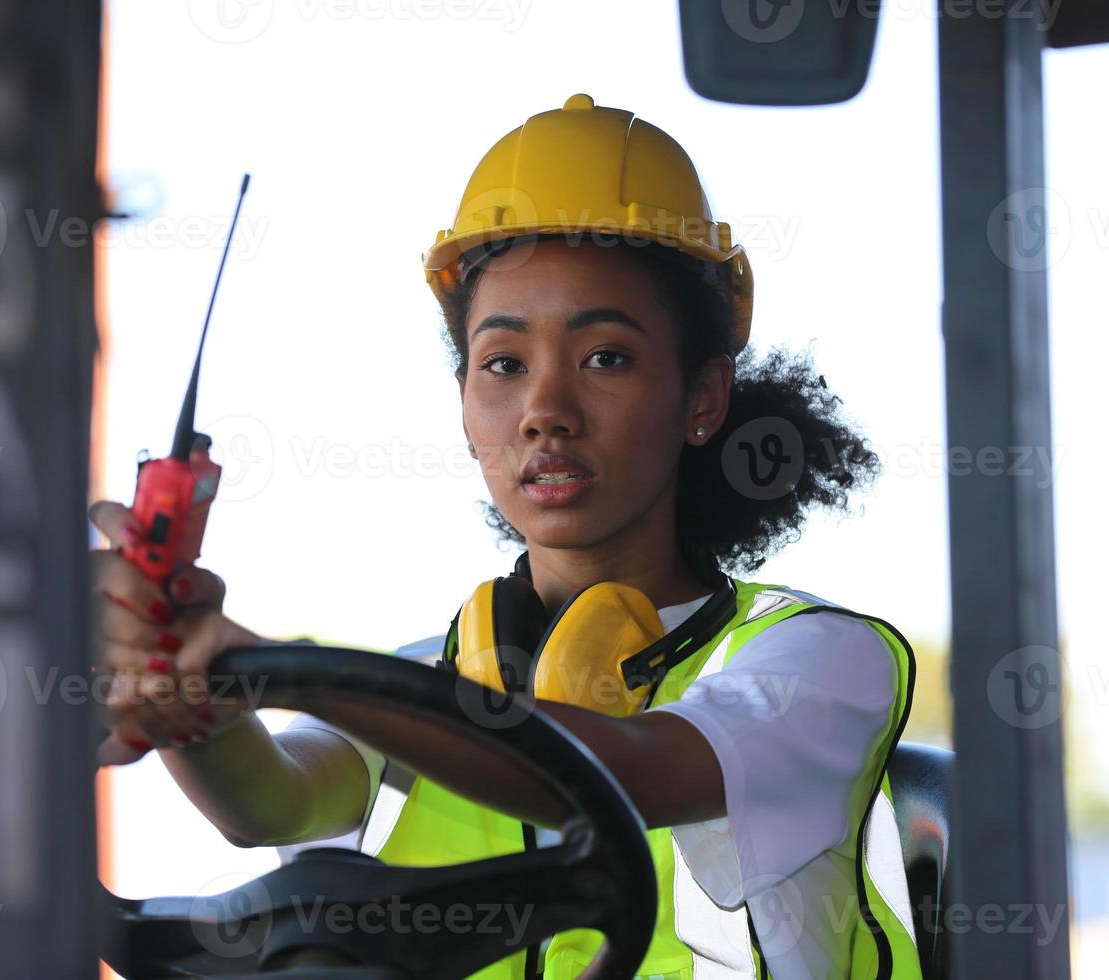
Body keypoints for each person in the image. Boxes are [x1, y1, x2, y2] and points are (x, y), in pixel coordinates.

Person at [89, 94, 922, 980]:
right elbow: (268, 803)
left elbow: (628, 769)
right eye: (504, 365)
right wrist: (179, 679)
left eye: (607, 357)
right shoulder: (423, 678)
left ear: (704, 400)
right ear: (464, 404)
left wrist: (273, 661)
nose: (544, 413)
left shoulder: (821, 664)